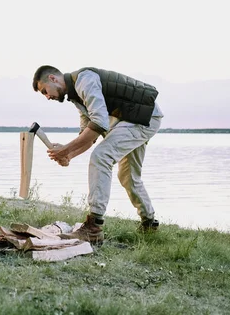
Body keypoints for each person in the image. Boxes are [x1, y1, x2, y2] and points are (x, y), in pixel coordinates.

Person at [32, 65, 163, 244]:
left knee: (101, 157)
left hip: (143, 117)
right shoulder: (77, 98)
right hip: (135, 119)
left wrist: (66, 149)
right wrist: (69, 155)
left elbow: (99, 125)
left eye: (44, 91)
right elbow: (88, 135)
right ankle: (150, 223)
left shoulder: (85, 80)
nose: (47, 97)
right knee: (128, 176)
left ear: (53, 79)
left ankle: (93, 227)